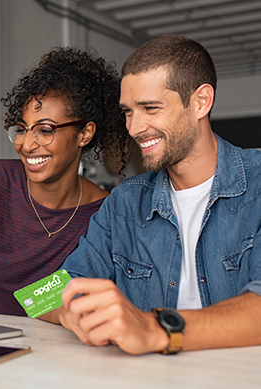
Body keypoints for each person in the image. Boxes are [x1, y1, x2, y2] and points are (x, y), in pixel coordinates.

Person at [42, 34, 261, 355]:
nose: (134, 127)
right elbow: (42, 297)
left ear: (201, 101)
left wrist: (154, 328)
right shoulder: (123, 203)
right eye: (128, 111)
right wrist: (75, 311)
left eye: (150, 108)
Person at [0, 47, 131, 320]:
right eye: (22, 128)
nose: (27, 144)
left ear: (85, 134)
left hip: (47, 357)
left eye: (45, 130)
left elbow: (65, 299)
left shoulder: (104, 215)